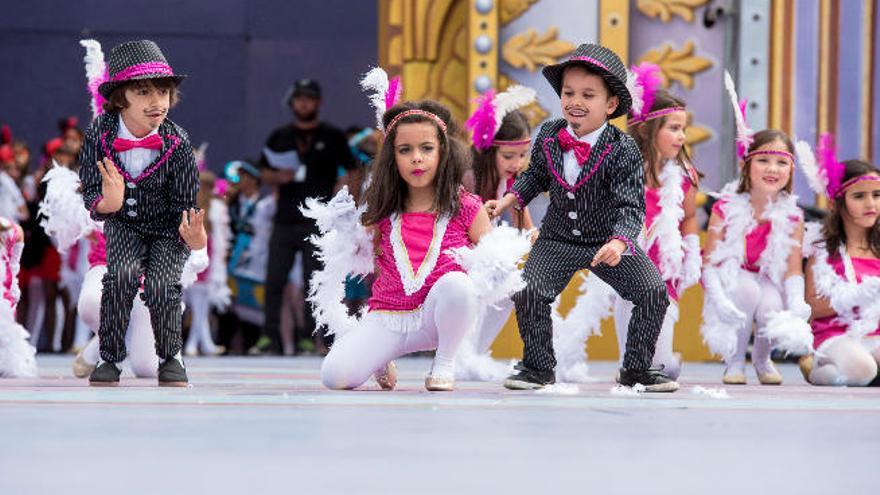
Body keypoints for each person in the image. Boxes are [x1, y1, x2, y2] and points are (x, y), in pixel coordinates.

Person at [487, 43, 678, 392]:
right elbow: (535, 177)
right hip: (557, 237)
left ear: (610, 104)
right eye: (568, 92)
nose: (575, 101)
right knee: (529, 291)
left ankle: (636, 368)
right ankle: (537, 367)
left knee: (652, 290)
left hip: (607, 239)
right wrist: (508, 200)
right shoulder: (548, 134)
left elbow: (631, 207)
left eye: (588, 95)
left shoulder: (623, 149)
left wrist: (620, 241)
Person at [78, 40, 199, 386]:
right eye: (144, 92)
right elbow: (89, 188)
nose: (157, 102)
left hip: (166, 228)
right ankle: (109, 357)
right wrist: (106, 204)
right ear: (120, 98)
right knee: (120, 279)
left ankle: (171, 356)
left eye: (162, 92)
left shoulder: (178, 142)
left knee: (162, 285)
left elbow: (185, 202)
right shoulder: (98, 135)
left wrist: (192, 234)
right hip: (124, 225)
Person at [257, 79, 356, 355]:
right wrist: (276, 177)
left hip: (318, 220)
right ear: (292, 102)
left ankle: (312, 337)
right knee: (274, 279)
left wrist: (342, 194)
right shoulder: (280, 136)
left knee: (315, 280)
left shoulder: (333, 135)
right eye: (299, 98)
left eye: (309, 98)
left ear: (319, 102)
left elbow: (352, 169)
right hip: (284, 219)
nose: (304, 103)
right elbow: (262, 171)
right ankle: (269, 338)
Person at [799, 137, 880, 386]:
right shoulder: (822, 250)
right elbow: (809, 309)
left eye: (877, 195)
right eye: (859, 196)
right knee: (862, 369)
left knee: (866, 366)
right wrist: (854, 296)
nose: (871, 204)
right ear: (837, 202)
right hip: (835, 335)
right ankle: (814, 368)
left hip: (874, 334)